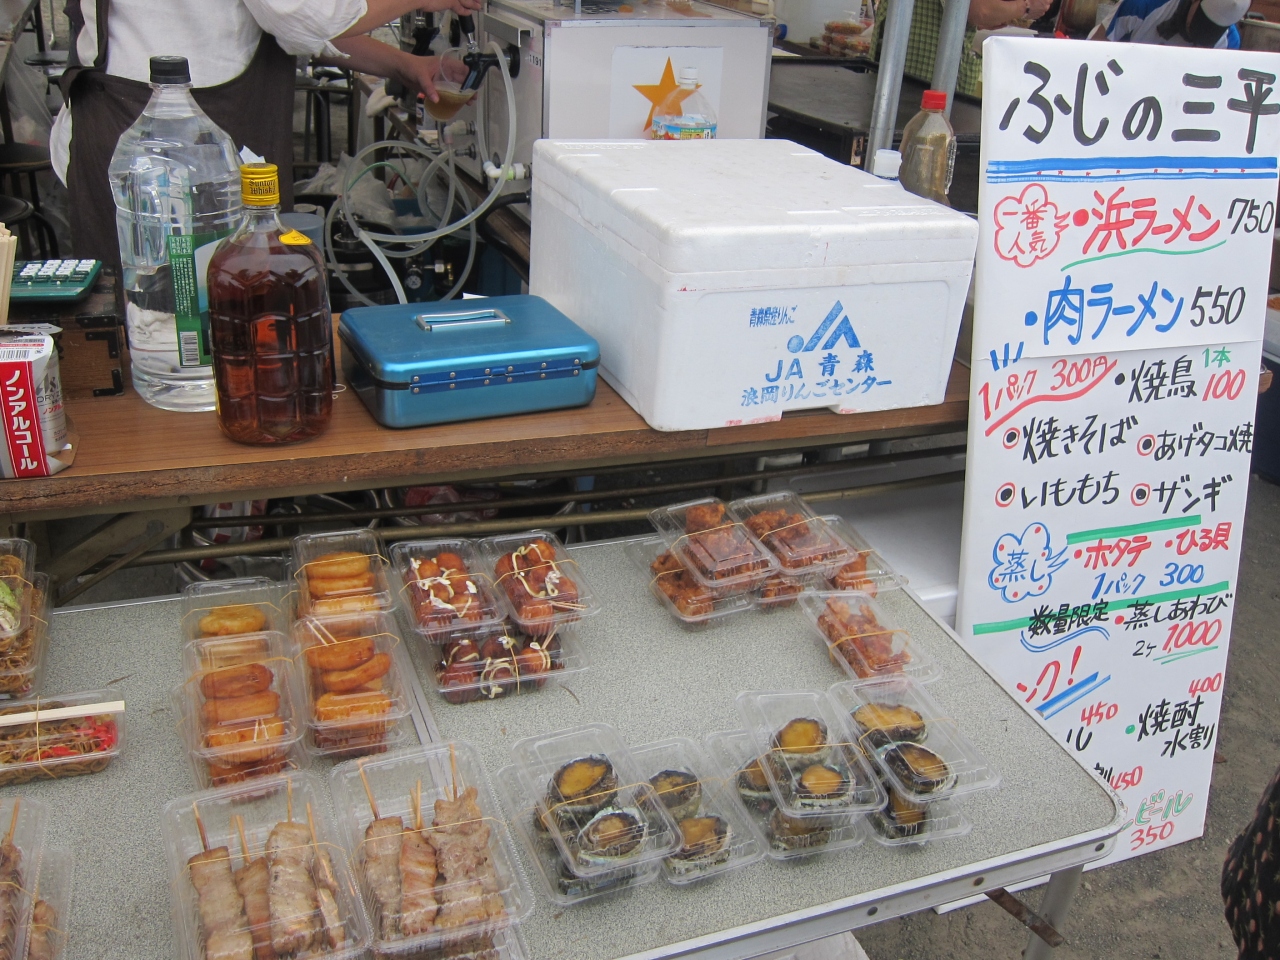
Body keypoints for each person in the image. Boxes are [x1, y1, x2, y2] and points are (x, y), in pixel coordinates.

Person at [52, 0, 481, 268]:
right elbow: (306, 14)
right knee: (177, 320)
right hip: (165, 153)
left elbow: (287, 22)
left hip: (137, 127)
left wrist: (404, 65)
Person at [870, 0, 1053, 100]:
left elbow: (976, 15)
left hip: (908, 74)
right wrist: (1026, 6)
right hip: (916, 82)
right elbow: (979, 11)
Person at [1106, 0, 1249, 46]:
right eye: (1201, 21)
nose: (1200, 33)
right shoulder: (1141, 6)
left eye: (1212, 29)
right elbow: (1096, 50)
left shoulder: (1229, 42)